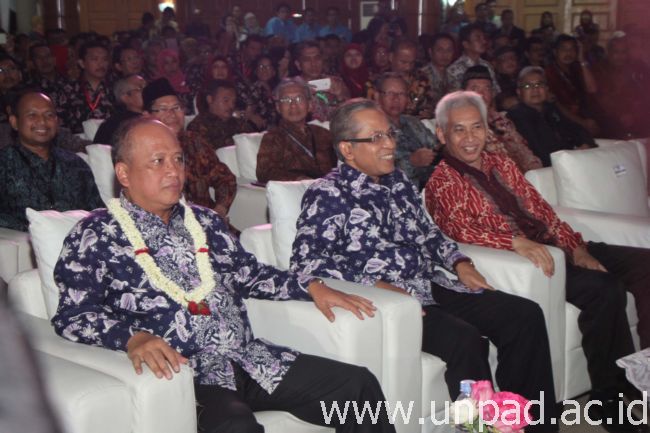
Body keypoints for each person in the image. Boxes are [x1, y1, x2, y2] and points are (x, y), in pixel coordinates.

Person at [51, 115, 395, 433]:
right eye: (158, 161)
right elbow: (73, 315)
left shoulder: (205, 221)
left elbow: (249, 274)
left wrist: (310, 286)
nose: (173, 170)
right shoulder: (97, 235)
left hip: (249, 359)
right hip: (188, 375)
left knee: (356, 387)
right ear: (124, 174)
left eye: (178, 159)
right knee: (235, 426)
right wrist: (133, 338)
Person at [290, 98, 558, 431]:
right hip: (392, 304)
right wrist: (375, 285)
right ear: (347, 149)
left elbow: (427, 233)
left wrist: (459, 262)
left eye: (390, 134)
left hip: (430, 285)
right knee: (465, 340)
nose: (390, 144)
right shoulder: (327, 194)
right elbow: (306, 263)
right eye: (376, 138)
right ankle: (483, 428)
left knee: (523, 315)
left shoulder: (398, 182)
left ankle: (537, 426)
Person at [425, 90, 650, 430]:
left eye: (477, 127)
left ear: (487, 129)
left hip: (559, 246)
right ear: (442, 134)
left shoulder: (502, 163)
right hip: (532, 260)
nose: (470, 138)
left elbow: (543, 212)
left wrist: (576, 247)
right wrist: (514, 241)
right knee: (604, 289)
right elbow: (458, 229)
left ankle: (642, 375)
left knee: (644, 266)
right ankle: (610, 400)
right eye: (459, 129)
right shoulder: (442, 181)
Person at [0, 91, 102, 231]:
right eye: (32, 115)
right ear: (14, 122)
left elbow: (97, 212)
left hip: (78, 239)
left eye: (49, 115)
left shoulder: (76, 164)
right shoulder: (4, 164)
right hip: (21, 240)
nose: (42, 121)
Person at [143, 78, 236, 219]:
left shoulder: (194, 141)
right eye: (163, 109)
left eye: (176, 108)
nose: (172, 114)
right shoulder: (142, 150)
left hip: (205, 220)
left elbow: (225, 178)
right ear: (147, 116)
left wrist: (220, 209)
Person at [507, 66, 595, 167]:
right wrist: (571, 155)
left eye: (539, 84)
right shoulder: (516, 117)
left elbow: (578, 130)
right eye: (527, 86)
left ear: (546, 89)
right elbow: (539, 152)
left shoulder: (551, 109)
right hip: (546, 170)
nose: (535, 89)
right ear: (519, 92)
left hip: (569, 161)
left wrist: (585, 144)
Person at [462, 66, 541, 173]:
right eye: (475, 89)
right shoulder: (461, 127)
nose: (482, 94)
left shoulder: (502, 121)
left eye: (487, 88)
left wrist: (536, 173)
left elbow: (524, 152)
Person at [256, 78, 335, 183]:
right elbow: (265, 172)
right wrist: (299, 179)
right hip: (299, 188)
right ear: (278, 107)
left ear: (310, 105)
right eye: (286, 100)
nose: (293, 105)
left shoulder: (322, 133)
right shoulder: (273, 137)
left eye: (299, 99)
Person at [374, 72, 439, 188]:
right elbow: (376, 168)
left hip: (432, 185)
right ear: (377, 97)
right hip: (397, 190)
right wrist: (411, 161)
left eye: (401, 94)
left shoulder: (413, 122)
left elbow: (436, 147)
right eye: (390, 93)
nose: (396, 99)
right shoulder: (372, 127)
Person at [544, 34, 599, 136]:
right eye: (564, 49)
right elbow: (556, 105)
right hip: (564, 122)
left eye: (572, 49)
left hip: (585, 116)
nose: (568, 53)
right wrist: (583, 123)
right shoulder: (549, 72)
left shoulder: (577, 68)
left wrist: (582, 60)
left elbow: (592, 89)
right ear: (555, 52)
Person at [367, 39, 435, 118]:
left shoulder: (422, 79)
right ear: (391, 57)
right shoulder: (375, 82)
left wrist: (429, 113)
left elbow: (430, 104)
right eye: (403, 62)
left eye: (412, 63)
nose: (408, 67)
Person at [60, 41, 114, 134]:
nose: (101, 64)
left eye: (104, 59)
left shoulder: (114, 87)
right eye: (95, 59)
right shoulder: (69, 89)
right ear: (82, 63)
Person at [187, 79, 256, 152]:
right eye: (226, 101)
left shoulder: (240, 125)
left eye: (233, 102)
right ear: (210, 99)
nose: (231, 106)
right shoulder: (198, 126)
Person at [293, 41, 349, 121]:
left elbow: (349, 114)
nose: (313, 64)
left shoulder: (336, 82)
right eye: (307, 60)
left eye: (317, 58)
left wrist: (340, 96)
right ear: (298, 64)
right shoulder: (292, 86)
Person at [94, 74, 145, 145]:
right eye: (140, 88)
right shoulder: (115, 124)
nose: (147, 90)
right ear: (125, 97)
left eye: (147, 86)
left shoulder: (157, 113)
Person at [447, 24, 500, 92]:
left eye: (483, 38)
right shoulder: (454, 69)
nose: (484, 41)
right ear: (466, 44)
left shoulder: (487, 65)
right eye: (478, 38)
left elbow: (495, 91)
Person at [420, 33, 455, 108]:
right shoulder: (422, 75)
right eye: (440, 50)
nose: (445, 54)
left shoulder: (453, 75)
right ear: (430, 52)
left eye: (449, 50)